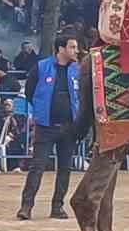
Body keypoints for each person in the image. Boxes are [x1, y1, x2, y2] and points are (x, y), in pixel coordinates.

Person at [17, 33, 81, 220]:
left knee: (65, 168)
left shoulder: (77, 70)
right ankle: (26, 206)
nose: (76, 51)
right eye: (72, 47)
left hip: (69, 127)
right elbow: (29, 92)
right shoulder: (41, 67)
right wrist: (40, 110)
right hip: (45, 126)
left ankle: (57, 206)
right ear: (61, 49)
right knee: (37, 166)